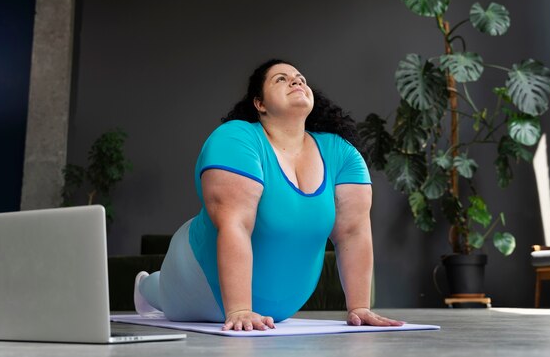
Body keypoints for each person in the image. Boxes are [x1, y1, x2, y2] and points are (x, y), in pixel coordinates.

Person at [134, 59, 403, 331]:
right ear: (259, 103)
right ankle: (145, 286)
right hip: (200, 283)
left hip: (280, 309)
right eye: (281, 79)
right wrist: (239, 309)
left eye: (300, 78)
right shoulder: (236, 138)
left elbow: (353, 232)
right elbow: (234, 223)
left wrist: (359, 308)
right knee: (161, 292)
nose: (297, 81)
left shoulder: (341, 152)